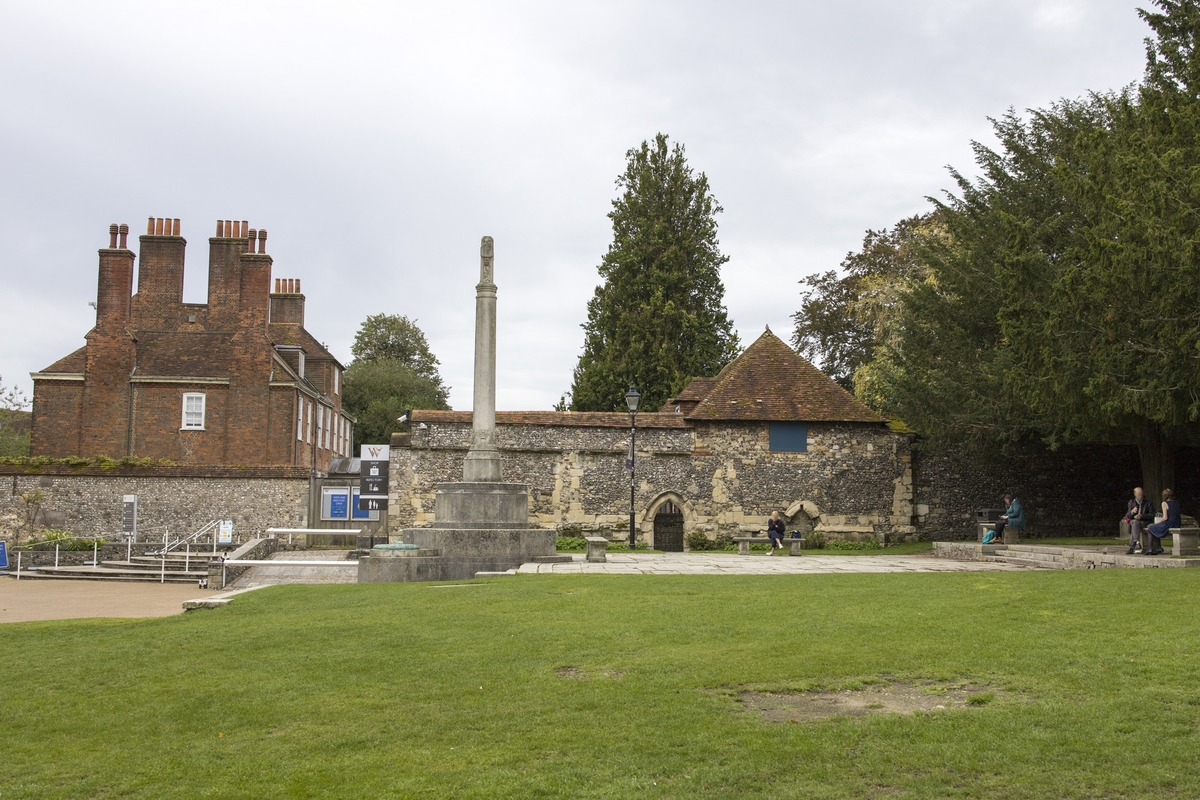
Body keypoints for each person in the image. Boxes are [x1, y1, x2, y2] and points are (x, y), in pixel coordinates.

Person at [1144, 489, 1180, 556]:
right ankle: (1158, 548)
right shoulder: (1176, 503)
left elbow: (1165, 517)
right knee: (1156, 528)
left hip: (1169, 523)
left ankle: (1150, 548)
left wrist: (1157, 522)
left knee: (1151, 527)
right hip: (1176, 523)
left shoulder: (1164, 503)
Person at [1124, 486, 1152, 554]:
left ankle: (1132, 546)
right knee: (1135, 522)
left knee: (1135, 524)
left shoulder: (1148, 503)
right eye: (1139, 495)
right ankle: (1137, 541)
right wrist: (1132, 512)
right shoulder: (1131, 503)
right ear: (1135, 494)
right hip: (1134, 521)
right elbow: (1128, 516)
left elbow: (1152, 515)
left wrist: (1142, 516)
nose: (1141, 496)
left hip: (1143, 522)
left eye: (1141, 494)